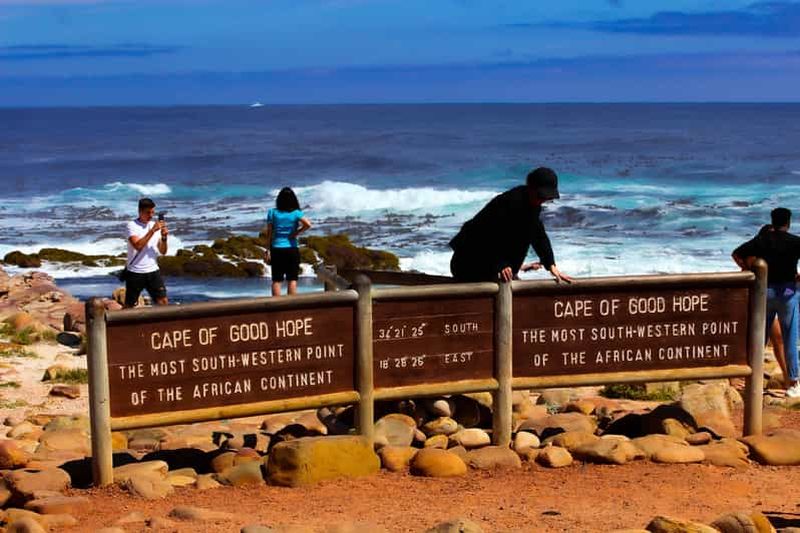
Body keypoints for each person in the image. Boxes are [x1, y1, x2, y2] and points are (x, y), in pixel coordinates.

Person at [449, 166, 572, 283]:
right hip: (467, 261)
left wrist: (551, 265)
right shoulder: (508, 203)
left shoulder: (533, 206)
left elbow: (538, 236)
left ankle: (514, 271)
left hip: (494, 265)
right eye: (540, 196)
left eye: (545, 198)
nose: (542, 200)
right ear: (530, 188)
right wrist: (500, 264)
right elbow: (486, 236)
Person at [732, 208, 800, 397]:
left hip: (765, 292)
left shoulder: (761, 241)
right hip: (786, 291)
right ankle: (794, 382)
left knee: (758, 338)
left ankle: (752, 379)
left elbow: (736, 254)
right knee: (790, 338)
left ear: (772, 221)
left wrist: (749, 270)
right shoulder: (795, 241)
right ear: (788, 223)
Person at [264, 187, 312, 296]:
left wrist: (267, 249)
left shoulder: (272, 212)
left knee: (276, 280)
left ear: (279, 199)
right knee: (292, 279)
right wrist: (297, 232)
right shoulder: (296, 213)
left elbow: (269, 233)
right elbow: (308, 224)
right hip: (291, 248)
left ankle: (276, 307)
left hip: (276, 248)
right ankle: (291, 307)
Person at [124, 198, 168, 308]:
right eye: (148, 212)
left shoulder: (154, 225)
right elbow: (138, 246)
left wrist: (164, 237)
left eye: (152, 212)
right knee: (130, 306)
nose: (151, 215)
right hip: (135, 272)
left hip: (153, 270)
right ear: (140, 211)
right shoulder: (131, 225)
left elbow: (163, 251)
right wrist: (152, 231)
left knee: (163, 302)